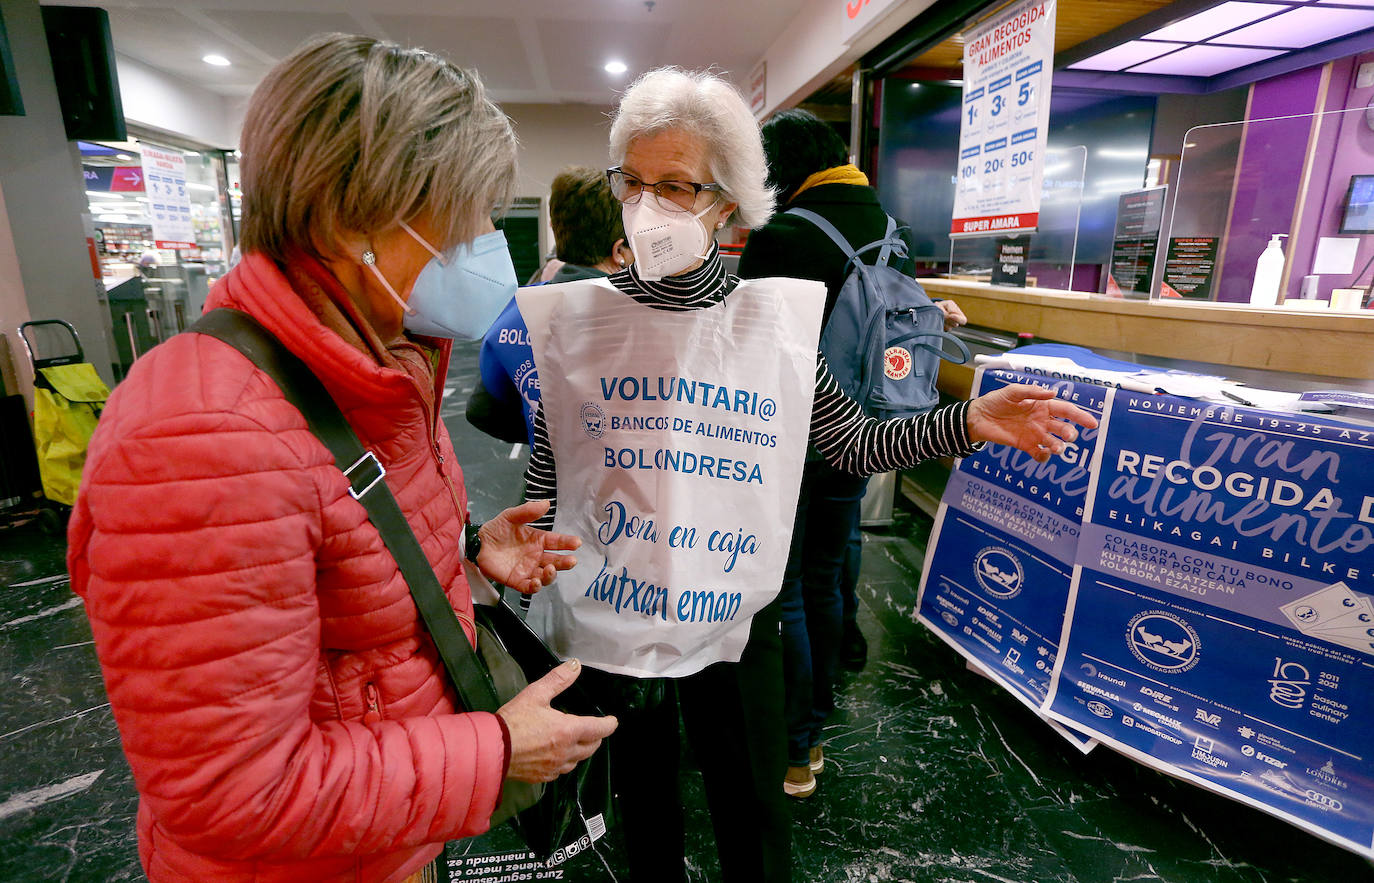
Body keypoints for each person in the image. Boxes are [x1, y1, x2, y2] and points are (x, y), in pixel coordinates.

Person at [515, 68, 1096, 883]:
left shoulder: (770, 328)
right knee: (641, 812)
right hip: (612, 610)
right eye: (633, 182)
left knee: (752, 807)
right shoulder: (581, 323)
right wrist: (525, 545)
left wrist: (965, 422)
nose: (648, 206)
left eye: (675, 185)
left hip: (733, 612)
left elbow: (851, 443)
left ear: (729, 201)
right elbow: (551, 463)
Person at [68, 34, 616, 883]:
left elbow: (332, 538)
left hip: (385, 837)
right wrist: (497, 751)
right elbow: (231, 791)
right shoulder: (199, 439)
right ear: (346, 218)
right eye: (460, 214)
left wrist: (462, 550)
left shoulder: (377, 356)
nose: (481, 240)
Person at [737, 108, 966, 798]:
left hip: (798, 435)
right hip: (873, 427)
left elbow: (749, 339)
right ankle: (823, 706)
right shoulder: (892, 228)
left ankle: (796, 747)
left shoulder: (784, 235)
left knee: (790, 596)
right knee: (831, 572)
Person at [466, 166, 633, 447]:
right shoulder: (639, 319)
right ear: (619, 252)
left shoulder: (517, 311)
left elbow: (482, 412)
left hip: (546, 484)